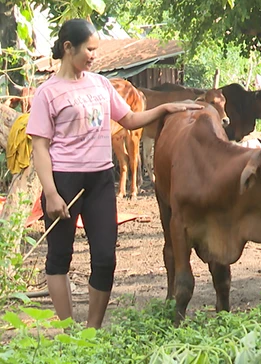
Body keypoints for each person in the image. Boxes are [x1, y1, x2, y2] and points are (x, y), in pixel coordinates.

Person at [27, 19, 201, 328]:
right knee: (59, 259)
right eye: (89, 50)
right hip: (64, 181)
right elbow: (40, 148)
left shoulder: (101, 85)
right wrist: (51, 193)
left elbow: (131, 119)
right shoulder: (48, 93)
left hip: (100, 180)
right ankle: (68, 331)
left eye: (96, 50)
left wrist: (165, 109)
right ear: (69, 48)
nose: (94, 56)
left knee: (105, 258)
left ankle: (91, 332)